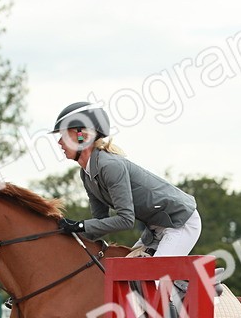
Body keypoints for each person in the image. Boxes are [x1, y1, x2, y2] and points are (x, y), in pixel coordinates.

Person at [51, 102, 201, 260]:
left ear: (83, 136)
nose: (59, 142)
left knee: (154, 280)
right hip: (155, 229)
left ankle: (207, 284)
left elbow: (126, 220)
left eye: (65, 135)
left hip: (180, 222)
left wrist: (79, 225)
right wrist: (70, 235)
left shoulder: (109, 166)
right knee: (126, 277)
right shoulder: (86, 174)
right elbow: (100, 222)